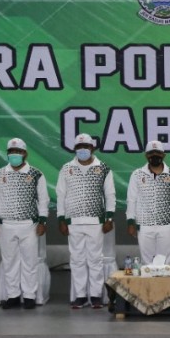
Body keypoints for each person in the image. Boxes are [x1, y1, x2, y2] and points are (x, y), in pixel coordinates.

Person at [0, 138, 49, 309]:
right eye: (11, 152)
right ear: (7, 154)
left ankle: (29, 296)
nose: (14, 154)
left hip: (29, 225)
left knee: (30, 261)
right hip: (5, 224)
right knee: (9, 262)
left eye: (18, 152)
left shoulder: (36, 174)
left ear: (25, 154)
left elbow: (43, 199)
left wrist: (43, 220)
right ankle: (13, 295)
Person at [57, 133, 116, 310]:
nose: (82, 150)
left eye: (86, 147)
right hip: (73, 221)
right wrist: (61, 219)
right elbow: (61, 195)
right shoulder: (66, 168)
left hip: (96, 221)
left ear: (92, 148)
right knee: (77, 260)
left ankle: (96, 296)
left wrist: (109, 218)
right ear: (74, 149)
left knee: (95, 259)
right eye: (79, 147)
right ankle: (80, 296)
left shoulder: (103, 168)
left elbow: (110, 194)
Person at [126, 140, 170, 266]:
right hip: (144, 225)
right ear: (146, 156)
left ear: (163, 155)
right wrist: (130, 222)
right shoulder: (137, 175)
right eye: (151, 153)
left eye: (158, 153)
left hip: (167, 226)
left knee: (166, 264)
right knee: (148, 265)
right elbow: (131, 200)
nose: (154, 156)